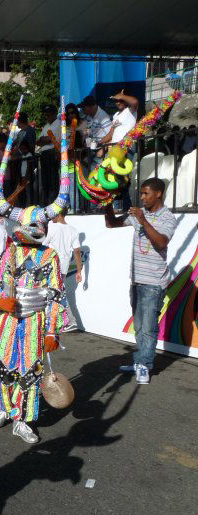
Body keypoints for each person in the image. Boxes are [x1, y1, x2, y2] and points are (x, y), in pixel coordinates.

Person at [0, 100, 68, 444]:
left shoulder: (49, 256)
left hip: (34, 322)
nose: (30, 229)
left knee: (30, 373)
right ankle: (4, 408)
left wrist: (54, 332)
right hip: (8, 320)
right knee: (1, 366)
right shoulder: (11, 251)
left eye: (37, 224)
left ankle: (26, 419)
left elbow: (56, 295)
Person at [104, 177, 177, 384]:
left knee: (149, 326)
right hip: (136, 280)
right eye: (141, 193)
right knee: (139, 326)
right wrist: (106, 202)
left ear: (158, 194)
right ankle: (140, 361)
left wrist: (143, 221)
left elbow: (162, 242)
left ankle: (145, 365)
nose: (142, 197)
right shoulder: (139, 215)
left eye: (146, 193)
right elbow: (112, 223)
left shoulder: (167, 217)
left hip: (154, 283)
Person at [42, 208, 82, 331]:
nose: (50, 217)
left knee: (55, 293)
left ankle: (70, 321)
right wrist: (79, 271)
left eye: (53, 214)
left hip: (52, 264)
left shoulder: (52, 227)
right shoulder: (73, 230)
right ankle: (55, 321)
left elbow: (43, 244)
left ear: (59, 214)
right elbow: (76, 252)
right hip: (63, 266)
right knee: (55, 292)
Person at [36, 105, 61, 205]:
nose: (47, 116)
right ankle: (46, 202)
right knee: (45, 180)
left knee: (53, 179)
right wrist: (44, 139)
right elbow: (39, 141)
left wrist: (45, 139)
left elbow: (52, 139)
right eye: (45, 114)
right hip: (44, 154)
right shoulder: (46, 126)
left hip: (52, 153)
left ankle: (53, 201)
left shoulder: (59, 124)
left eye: (49, 114)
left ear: (54, 114)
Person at [78, 95, 112, 164]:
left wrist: (103, 150)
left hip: (100, 151)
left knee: (96, 173)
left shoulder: (103, 117)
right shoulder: (88, 115)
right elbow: (88, 132)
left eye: (84, 108)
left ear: (91, 107)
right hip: (91, 149)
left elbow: (111, 135)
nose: (82, 110)